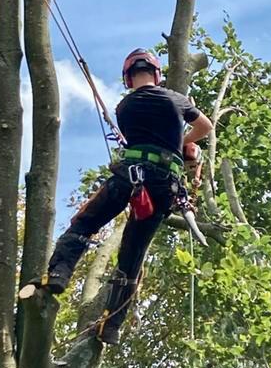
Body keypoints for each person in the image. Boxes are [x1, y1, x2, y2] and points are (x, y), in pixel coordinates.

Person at [38, 49, 213, 345]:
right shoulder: (176, 99)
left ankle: (57, 275)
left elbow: (138, 136)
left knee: (84, 223)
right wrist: (181, 143)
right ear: (157, 75)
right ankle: (112, 326)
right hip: (165, 186)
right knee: (132, 256)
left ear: (128, 78)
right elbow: (205, 127)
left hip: (129, 177)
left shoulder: (124, 106)